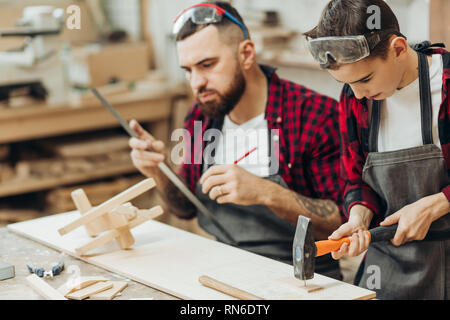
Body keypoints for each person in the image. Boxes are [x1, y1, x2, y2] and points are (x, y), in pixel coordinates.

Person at [129, 1, 345, 279]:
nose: (196, 83)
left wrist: (266, 192)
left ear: (246, 54)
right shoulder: (202, 116)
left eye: (207, 65)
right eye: (188, 70)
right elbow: (185, 209)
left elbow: (342, 223)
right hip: (225, 268)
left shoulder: (314, 116)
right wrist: (157, 171)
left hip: (304, 278)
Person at [304, 0, 450, 299]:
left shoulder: (445, 85)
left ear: (398, 49)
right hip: (387, 264)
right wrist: (359, 216)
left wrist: (439, 203)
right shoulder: (356, 97)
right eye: (346, 83)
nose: (357, 94)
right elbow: (355, 178)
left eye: (365, 79)